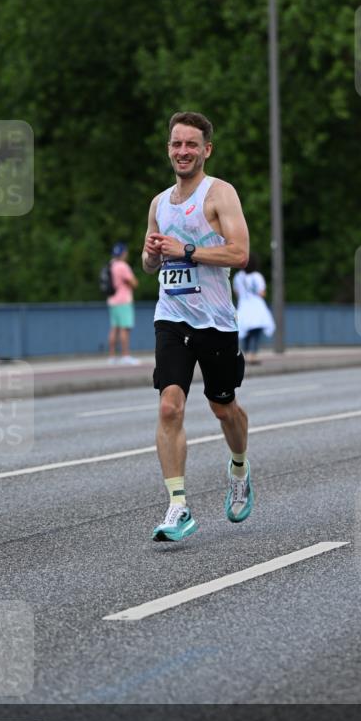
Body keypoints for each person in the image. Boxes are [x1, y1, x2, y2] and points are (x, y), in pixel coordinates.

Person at [142, 111, 253, 542]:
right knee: (170, 406)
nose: (182, 152)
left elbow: (239, 253)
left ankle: (239, 467)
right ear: (168, 148)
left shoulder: (219, 194)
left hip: (216, 320)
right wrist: (153, 255)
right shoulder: (158, 203)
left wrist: (185, 249)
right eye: (176, 144)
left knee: (224, 407)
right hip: (171, 316)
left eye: (191, 144)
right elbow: (150, 261)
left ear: (206, 150)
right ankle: (177, 506)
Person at [233, 253, 275, 365]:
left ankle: (246, 354)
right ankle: (253, 354)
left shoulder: (238, 277)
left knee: (245, 331)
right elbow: (261, 293)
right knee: (256, 331)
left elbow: (237, 293)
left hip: (244, 306)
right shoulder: (257, 276)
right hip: (256, 306)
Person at [107, 242, 139, 365]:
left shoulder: (111, 264)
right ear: (123, 253)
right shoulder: (122, 266)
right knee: (125, 329)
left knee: (114, 328)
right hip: (123, 300)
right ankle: (125, 355)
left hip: (112, 300)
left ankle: (111, 356)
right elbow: (134, 283)